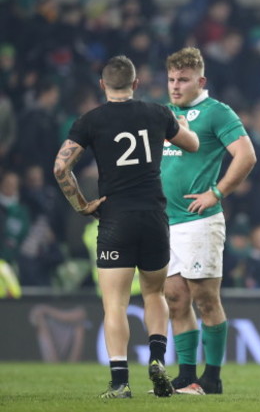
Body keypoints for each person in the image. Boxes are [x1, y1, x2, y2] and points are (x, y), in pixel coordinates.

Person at [53, 55, 199, 398]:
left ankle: (120, 382)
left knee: (115, 304)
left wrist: (82, 206)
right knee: (154, 293)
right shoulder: (157, 113)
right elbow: (192, 144)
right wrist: (181, 124)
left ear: (102, 85)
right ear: (135, 84)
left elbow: (61, 169)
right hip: (154, 217)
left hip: (115, 218)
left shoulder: (90, 121)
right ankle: (158, 360)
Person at [161, 47, 256, 395]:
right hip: (164, 220)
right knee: (174, 296)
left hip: (199, 219)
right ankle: (187, 375)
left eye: (183, 80)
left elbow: (246, 156)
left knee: (205, 298)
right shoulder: (166, 113)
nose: (175, 86)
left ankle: (212, 377)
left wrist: (216, 192)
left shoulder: (217, 112)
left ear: (200, 80)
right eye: (171, 79)